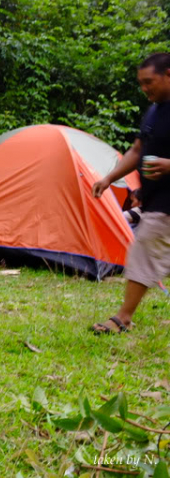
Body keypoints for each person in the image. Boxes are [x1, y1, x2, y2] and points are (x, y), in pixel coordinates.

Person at [91, 52, 170, 334]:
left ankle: (123, 318)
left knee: (143, 250)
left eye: (149, 82)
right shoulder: (153, 111)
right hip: (156, 200)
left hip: (166, 206)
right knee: (149, 251)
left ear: (169, 74)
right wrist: (110, 177)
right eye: (141, 83)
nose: (144, 89)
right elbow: (138, 150)